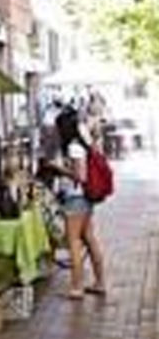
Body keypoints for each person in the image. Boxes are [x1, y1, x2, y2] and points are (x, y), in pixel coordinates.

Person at [54, 106, 106, 299]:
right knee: (89, 238)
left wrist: (59, 169)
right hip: (85, 198)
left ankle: (77, 287)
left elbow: (80, 176)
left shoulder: (74, 147)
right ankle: (99, 282)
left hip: (75, 198)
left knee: (74, 241)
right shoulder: (83, 143)